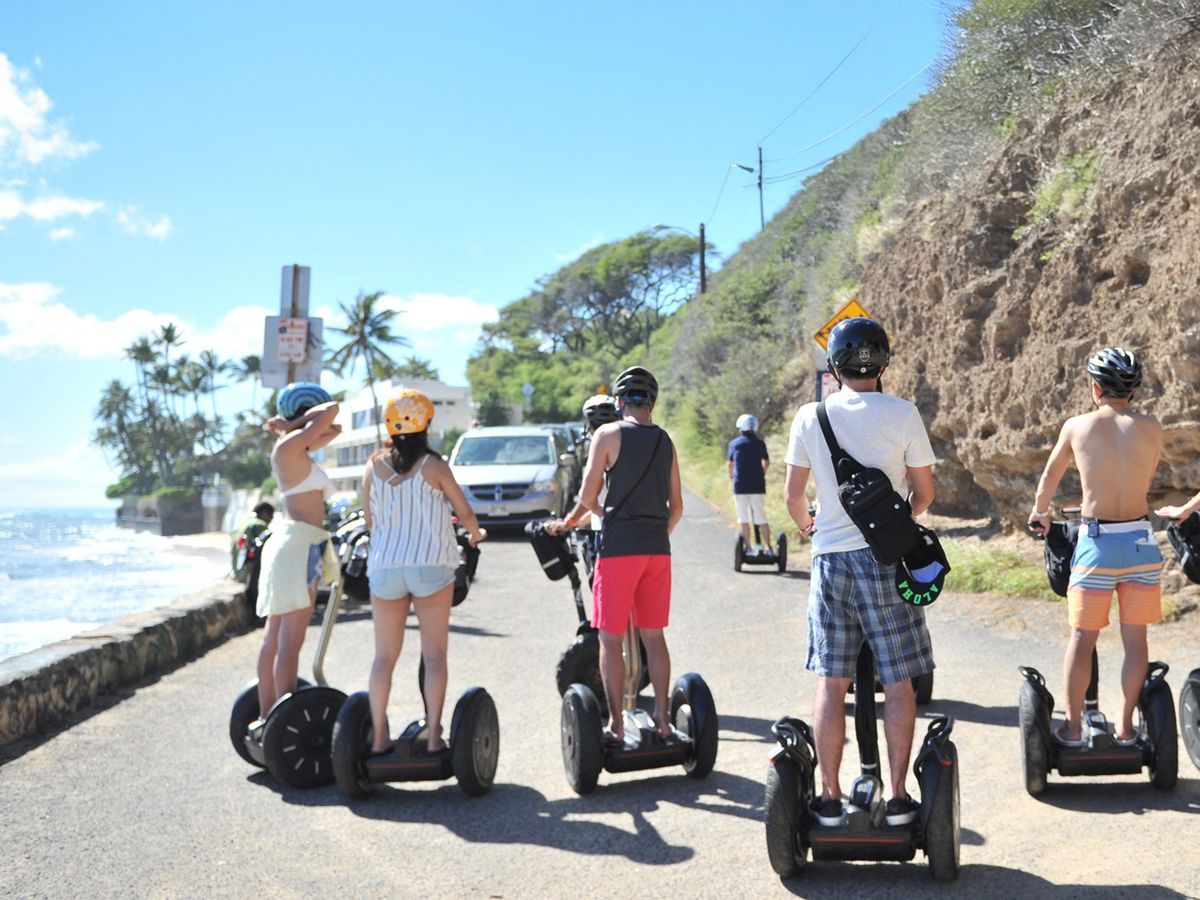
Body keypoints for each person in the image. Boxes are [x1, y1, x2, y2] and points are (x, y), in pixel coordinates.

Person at [784, 317, 937, 827]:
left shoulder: (810, 416)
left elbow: (793, 496)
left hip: (830, 561)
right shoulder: (903, 413)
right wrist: (896, 522)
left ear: (834, 366)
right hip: (885, 560)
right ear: (884, 363)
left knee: (832, 683)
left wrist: (810, 526)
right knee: (898, 681)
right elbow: (925, 494)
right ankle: (898, 798)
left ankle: (829, 800)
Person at [1028, 347, 1163, 748]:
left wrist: (1040, 512)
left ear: (1095, 388)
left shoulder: (1077, 426)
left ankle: (1072, 730)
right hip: (1140, 543)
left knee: (1082, 639)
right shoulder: (1152, 428)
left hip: (1097, 545)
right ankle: (1125, 728)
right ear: (1133, 391)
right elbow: (1144, 478)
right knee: (1135, 642)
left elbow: (1050, 476)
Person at [549, 367, 684, 744]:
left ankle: (616, 725)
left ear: (620, 402)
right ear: (652, 403)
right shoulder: (665, 441)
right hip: (657, 551)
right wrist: (656, 535)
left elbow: (586, 496)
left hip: (618, 551)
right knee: (653, 637)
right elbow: (677, 508)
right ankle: (662, 719)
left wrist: (586, 518)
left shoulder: (607, 435)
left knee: (609, 640)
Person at [361, 389, 486, 755]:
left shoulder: (373, 466)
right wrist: (476, 534)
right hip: (431, 566)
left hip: (385, 568)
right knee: (434, 656)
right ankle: (433, 738)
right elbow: (464, 511)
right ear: (426, 423)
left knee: (383, 658)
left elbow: (370, 520)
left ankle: (379, 739)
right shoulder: (434, 466)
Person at [252, 382, 341, 727]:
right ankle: (280, 721)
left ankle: (267, 715)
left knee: (273, 638)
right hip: (300, 547)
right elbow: (331, 410)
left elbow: (333, 427)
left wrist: (295, 425)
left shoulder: (291, 447)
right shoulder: (291, 444)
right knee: (289, 641)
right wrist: (295, 424)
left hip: (291, 544)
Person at [727, 413, 772, 553]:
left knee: (743, 519)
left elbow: (730, 464)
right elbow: (767, 461)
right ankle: (769, 548)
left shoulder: (734, 444)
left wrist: (731, 476)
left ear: (741, 427)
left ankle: (748, 548)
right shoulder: (760, 443)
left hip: (740, 485)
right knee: (761, 517)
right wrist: (763, 473)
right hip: (757, 485)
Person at [231, 501, 274, 581]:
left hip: (237, 571)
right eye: (271, 516)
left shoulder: (244, 522)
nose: (271, 520)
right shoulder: (259, 525)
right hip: (248, 574)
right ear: (264, 513)